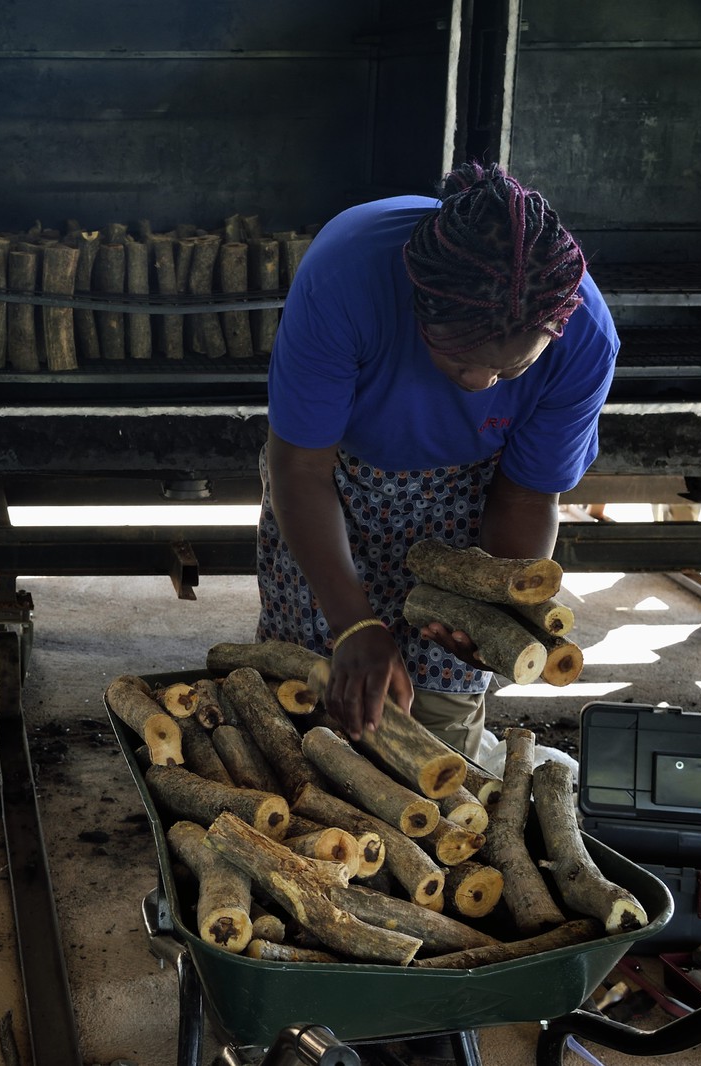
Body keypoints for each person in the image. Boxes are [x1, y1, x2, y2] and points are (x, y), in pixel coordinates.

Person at [257, 162, 619, 760]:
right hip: (333, 481)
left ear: (553, 332)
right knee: (308, 701)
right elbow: (299, 469)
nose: (480, 383)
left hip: (471, 493)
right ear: (417, 303)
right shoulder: (347, 277)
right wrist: (352, 624)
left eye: (509, 370)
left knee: (437, 736)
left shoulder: (584, 341)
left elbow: (526, 495)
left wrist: (492, 607)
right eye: (456, 359)